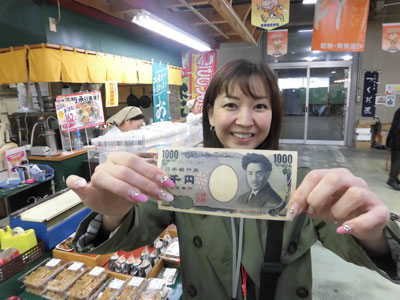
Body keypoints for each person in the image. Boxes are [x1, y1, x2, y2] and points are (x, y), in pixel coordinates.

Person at [67, 60, 400, 300]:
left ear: (274, 114)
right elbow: (134, 230)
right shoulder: (183, 175)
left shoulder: (301, 184)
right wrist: (114, 213)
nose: (245, 120)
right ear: (210, 114)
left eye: (259, 105)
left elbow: (350, 234)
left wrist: (374, 235)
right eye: (231, 105)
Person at [386, 106, 400, 190]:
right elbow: (397, 127)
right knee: (397, 161)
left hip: (395, 139)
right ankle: (392, 179)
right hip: (398, 140)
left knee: (396, 160)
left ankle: (394, 177)